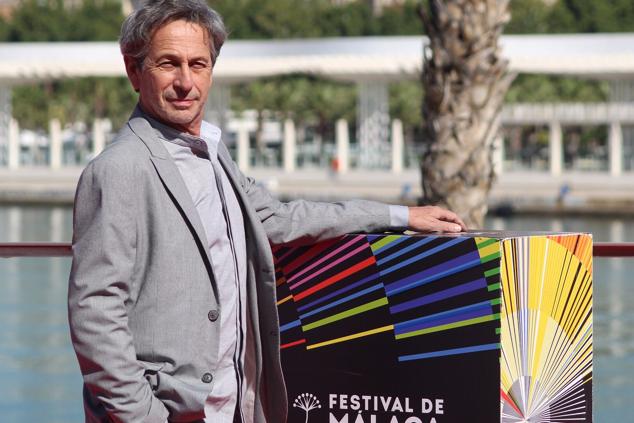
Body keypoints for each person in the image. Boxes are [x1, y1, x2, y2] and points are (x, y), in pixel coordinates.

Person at [67, 1, 466, 422]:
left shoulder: (214, 153)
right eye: (169, 64)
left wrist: (398, 217)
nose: (186, 81)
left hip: (235, 404)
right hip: (170, 410)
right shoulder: (116, 170)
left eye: (198, 64)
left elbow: (279, 219)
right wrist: (144, 416)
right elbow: (95, 314)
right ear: (134, 70)